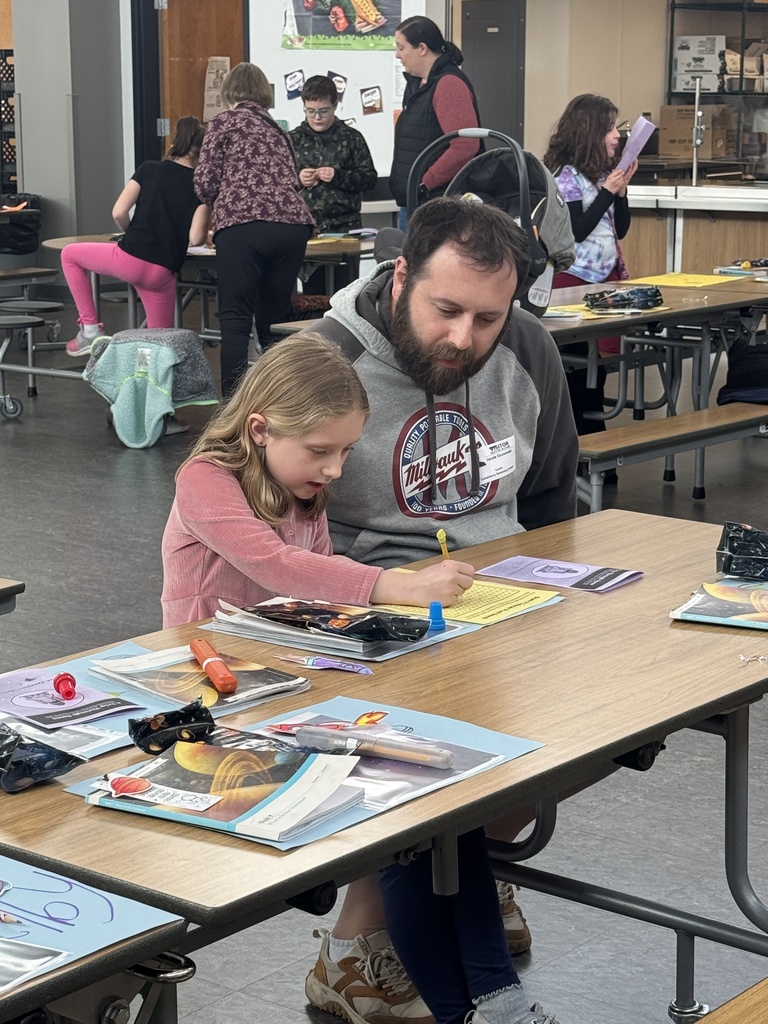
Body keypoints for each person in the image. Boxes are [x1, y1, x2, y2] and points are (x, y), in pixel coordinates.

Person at [302, 197, 576, 1024]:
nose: (464, 338)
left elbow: (555, 495)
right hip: (362, 603)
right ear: (399, 281)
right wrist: (363, 592)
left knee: (556, 747)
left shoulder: (525, 347)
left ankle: (472, 886)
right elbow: (256, 523)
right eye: (445, 310)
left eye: (486, 318)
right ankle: (360, 948)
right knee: (426, 758)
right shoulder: (325, 359)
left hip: (500, 591)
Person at [160, 333, 475, 629]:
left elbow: (319, 573)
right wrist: (409, 586)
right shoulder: (203, 477)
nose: (334, 470)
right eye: (319, 451)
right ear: (260, 430)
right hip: (203, 662)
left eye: (345, 451)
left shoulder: (303, 485)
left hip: (280, 652)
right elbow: (278, 566)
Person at [193, 62, 315, 399]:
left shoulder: (223, 123)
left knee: (235, 318)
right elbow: (292, 180)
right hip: (291, 227)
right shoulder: (279, 130)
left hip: (243, 225)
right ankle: (281, 403)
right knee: (273, 320)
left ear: (229, 93)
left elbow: (205, 183)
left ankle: (232, 411)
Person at [62, 116, 210, 357]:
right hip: (162, 273)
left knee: (70, 255)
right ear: (203, 152)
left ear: (177, 142)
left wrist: (133, 232)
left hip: (130, 258)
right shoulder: (201, 188)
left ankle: (89, 331)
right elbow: (195, 238)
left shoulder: (149, 168)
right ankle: (155, 388)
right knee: (160, 345)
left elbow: (118, 211)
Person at [542, 94, 638, 438]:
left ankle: (594, 428)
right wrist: (609, 193)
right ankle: (581, 433)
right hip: (574, 282)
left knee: (599, 364)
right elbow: (576, 231)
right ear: (590, 132)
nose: (617, 136)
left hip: (604, 279)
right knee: (576, 363)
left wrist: (620, 192)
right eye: (610, 128)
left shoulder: (600, 176)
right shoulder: (565, 176)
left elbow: (620, 228)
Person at [390, 17, 482, 231]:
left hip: (436, 204)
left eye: (401, 47)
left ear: (421, 48)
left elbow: (466, 145)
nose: (397, 55)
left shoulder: (448, 84)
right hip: (417, 201)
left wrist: (424, 183)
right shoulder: (419, 85)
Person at [290, 75, 377, 294]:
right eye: (311, 111)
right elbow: (276, 185)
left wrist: (338, 176)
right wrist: (298, 179)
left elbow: (369, 178)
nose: (317, 117)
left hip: (346, 229)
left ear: (335, 106)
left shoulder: (351, 138)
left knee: (346, 294)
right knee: (313, 296)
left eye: (323, 111)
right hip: (309, 230)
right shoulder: (293, 139)